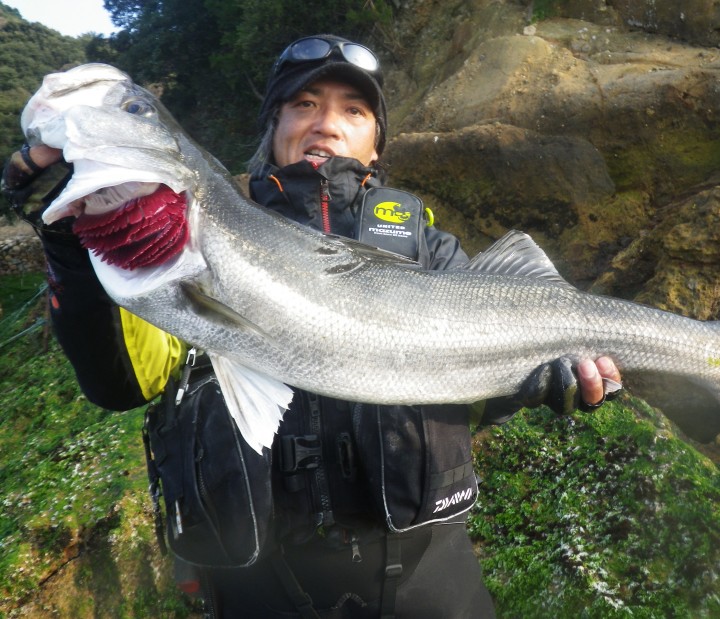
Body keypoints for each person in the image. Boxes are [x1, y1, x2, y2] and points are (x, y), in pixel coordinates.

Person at [3, 35, 621, 618]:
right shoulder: (177, 238)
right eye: (304, 104)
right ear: (272, 125)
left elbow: (474, 394)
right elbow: (120, 384)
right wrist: (68, 245)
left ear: (376, 144)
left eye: (353, 110)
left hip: (427, 583)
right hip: (257, 586)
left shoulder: (429, 249)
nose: (326, 122)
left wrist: (539, 382)